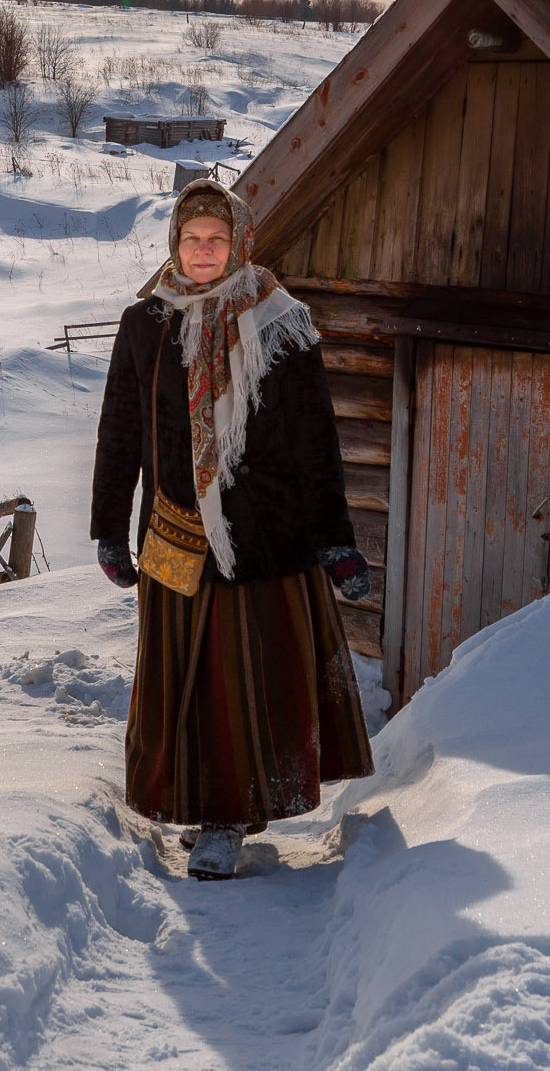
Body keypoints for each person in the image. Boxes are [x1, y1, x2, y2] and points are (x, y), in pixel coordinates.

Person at [91, 178, 375, 880]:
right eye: (192, 238)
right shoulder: (147, 324)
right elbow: (121, 430)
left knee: (240, 685)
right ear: (174, 243)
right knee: (184, 688)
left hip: (263, 540)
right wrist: (109, 528)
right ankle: (201, 806)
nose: (203, 250)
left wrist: (334, 538)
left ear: (240, 242)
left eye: (216, 238)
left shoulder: (281, 322)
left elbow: (314, 438)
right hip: (175, 537)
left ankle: (227, 820)